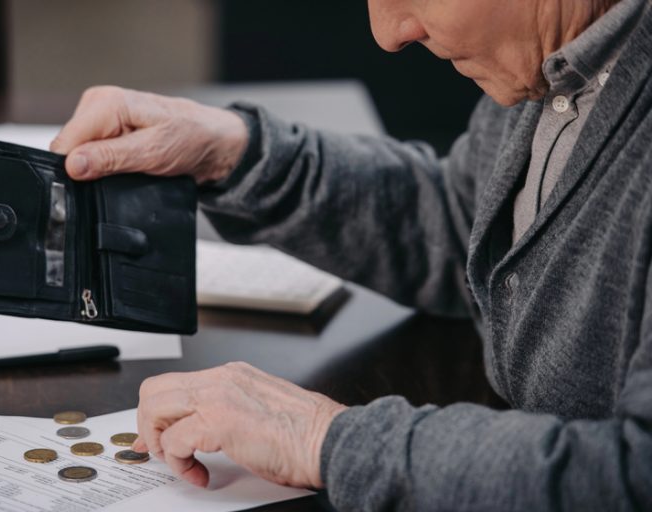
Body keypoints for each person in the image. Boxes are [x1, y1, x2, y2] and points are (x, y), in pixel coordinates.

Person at [50, 0, 652, 509]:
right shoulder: (554, 65)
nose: (388, 34)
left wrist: (321, 440)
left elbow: (632, 475)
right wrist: (235, 155)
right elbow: (461, 227)